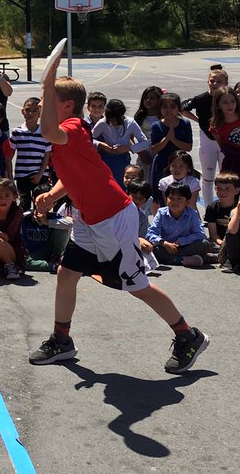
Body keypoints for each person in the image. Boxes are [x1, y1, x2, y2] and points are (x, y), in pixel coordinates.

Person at [29, 53, 209, 375]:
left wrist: (48, 81)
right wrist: (52, 196)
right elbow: (75, 176)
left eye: (47, 100)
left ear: (66, 106)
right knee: (67, 274)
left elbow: (47, 131)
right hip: (88, 218)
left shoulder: (72, 127)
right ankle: (62, 340)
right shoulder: (68, 134)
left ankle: (188, 335)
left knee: (137, 286)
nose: (41, 104)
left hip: (113, 219)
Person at [181, 65, 229, 206]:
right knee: (208, 178)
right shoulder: (201, 98)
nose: (215, 84)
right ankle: (209, 209)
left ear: (226, 83)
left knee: (226, 177)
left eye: (219, 81)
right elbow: (183, 108)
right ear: (208, 82)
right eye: (212, 81)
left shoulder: (229, 98)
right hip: (207, 140)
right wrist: (199, 121)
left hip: (225, 141)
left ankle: (227, 207)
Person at [146, 183, 208, 267]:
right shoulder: (161, 213)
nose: (175, 202)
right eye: (171, 198)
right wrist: (164, 243)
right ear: (166, 199)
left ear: (187, 202)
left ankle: (172, 259)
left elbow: (200, 234)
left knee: (204, 244)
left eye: (179, 199)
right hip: (165, 247)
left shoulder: (192, 214)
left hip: (185, 246)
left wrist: (181, 241)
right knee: (151, 248)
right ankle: (181, 259)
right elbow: (151, 233)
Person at [210, 85, 240, 191]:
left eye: (232, 101)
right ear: (218, 105)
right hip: (234, 161)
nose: (230, 105)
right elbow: (222, 145)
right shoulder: (216, 125)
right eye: (225, 102)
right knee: (230, 189)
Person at [92, 98, 148, 188]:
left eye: (116, 120)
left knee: (122, 185)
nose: (113, 123)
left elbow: (144, 143)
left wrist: (127, 148)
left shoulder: (130, 123)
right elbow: (89, 138)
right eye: (111, 120)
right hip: (106, 158)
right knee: (107, 185)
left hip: (123, 159)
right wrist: (102, 145)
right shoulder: (103, 123)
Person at [149, 93, 192, 206]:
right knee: (160, 197)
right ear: (160, 109)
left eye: (172, 107)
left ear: (178, 108)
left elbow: (188, 147)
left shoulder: (185, 123)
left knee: (181, 194)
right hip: (162, 163)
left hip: (180, 165)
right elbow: (154, 149)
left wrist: (174, 139)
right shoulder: (156, 126)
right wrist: (167, 138)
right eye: (165, 107)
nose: (169, 110)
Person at [10, 96, 52, 212]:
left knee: (41, 203)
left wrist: (40, 174)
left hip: (40, 175)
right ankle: (25, 223)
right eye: (27, 110)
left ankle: (41, 222)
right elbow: (10, 155)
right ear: (22, 111)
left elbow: (46, 156)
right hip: (22, 175)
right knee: (24, 204)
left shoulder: (44, 132)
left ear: (40, 113)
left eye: (34, 111)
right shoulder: (17, 132)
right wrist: (9, 175)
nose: (30, 113)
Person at [204, 171, 240, 254]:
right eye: (219, 189)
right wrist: (222, 243)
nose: (223, 192)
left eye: (227, 189)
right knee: (205, 245)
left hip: (237, 241)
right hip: (218, 242)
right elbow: (213, 234)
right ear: (215, 189)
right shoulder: (212, 207)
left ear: (236, 190)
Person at [134, 85, 163, 179]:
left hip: (160, 155)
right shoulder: (140, 117)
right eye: (146, 98)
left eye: (152, 98)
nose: (148, 100)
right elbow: (129, 137)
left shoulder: (164, 116)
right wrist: (141, 153)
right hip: (144, 155)